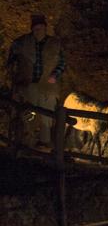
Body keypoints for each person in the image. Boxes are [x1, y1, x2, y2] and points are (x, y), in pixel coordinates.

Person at [6, 13, 66, 146]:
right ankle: (28, 140)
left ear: (45, 28)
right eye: (35, 28)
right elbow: (11, 63)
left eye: (41, 28)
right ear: (32, 29)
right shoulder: (21, 43)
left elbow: (62, 63)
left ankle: (45, 141)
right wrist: (15, 82)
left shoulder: (55, 44)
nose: (38, 31)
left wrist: (54, 75)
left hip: (48, 86)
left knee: (48, 114)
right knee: (28, 112)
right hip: (27, 84)